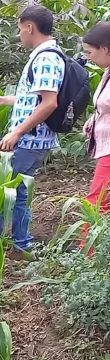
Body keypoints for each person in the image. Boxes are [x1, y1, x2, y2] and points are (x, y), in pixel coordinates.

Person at [0, 5, 64, 254]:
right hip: (34, 139)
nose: (19, 35)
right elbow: (35, 99)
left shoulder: (46, 58)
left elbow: (49, 103)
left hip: (29, 140)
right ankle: (21, 243)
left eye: (19, 29)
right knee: (20, 192)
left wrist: (17, 132)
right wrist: (4, 100)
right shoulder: (45, 55)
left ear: (30, 27)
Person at [81, 22, 110, 248]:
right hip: (105, 147)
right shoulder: (107, 73)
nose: (88, 57)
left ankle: (87, 254)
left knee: (97, 202)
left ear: (105, 49)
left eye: (90, 52)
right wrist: (94, 120)